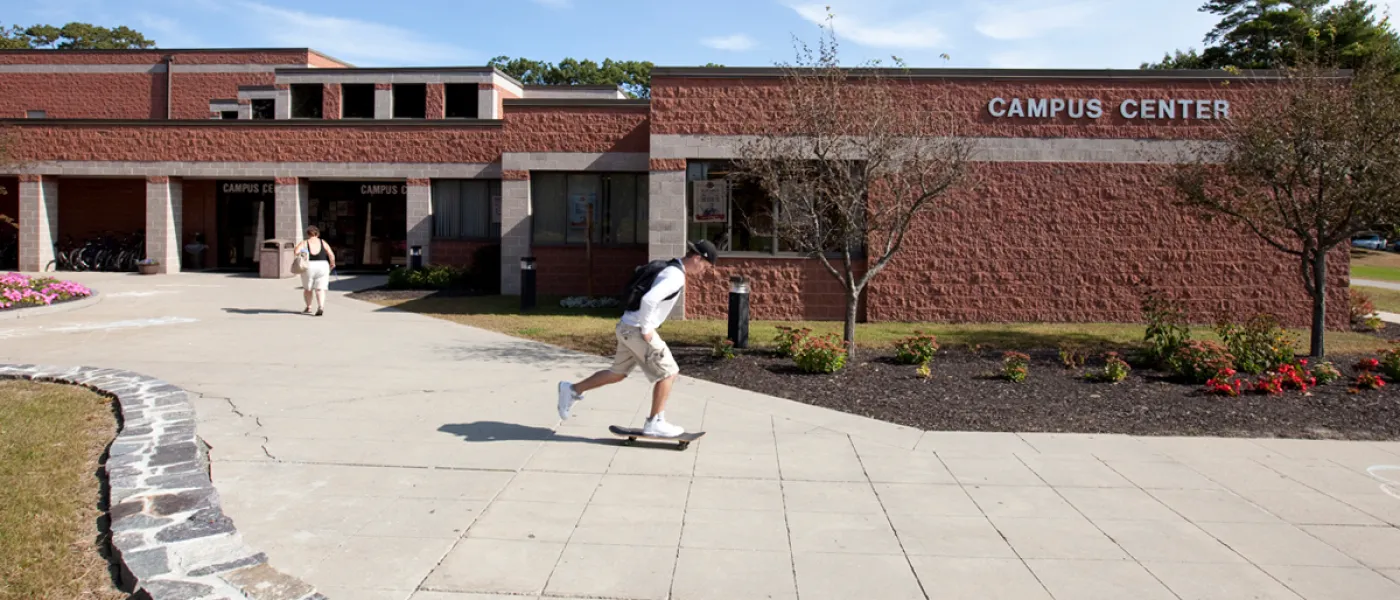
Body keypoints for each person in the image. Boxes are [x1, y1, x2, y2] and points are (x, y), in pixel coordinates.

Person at [557, 240, 718, 437]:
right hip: (636, 330)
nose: (703, 271)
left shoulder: (668, 266)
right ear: (697, 258)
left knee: (617, 373)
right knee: (669, 372)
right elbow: (649, 299)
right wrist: (647, 329)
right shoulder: (676, 276)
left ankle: (572, 389)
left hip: (626, 326)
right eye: (705, 266)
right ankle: (655, 422)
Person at [293, 226, 335, 316]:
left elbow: (296, 252)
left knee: (308, 289)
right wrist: (332, 263)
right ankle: (321, 306)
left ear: (308, 234)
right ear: (317, 233)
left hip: (309, 266)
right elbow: (331, 253)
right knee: (320, 289)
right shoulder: (323, 242)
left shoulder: (305, 242)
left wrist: (304, 252)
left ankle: (309, 307)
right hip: (323, 265)